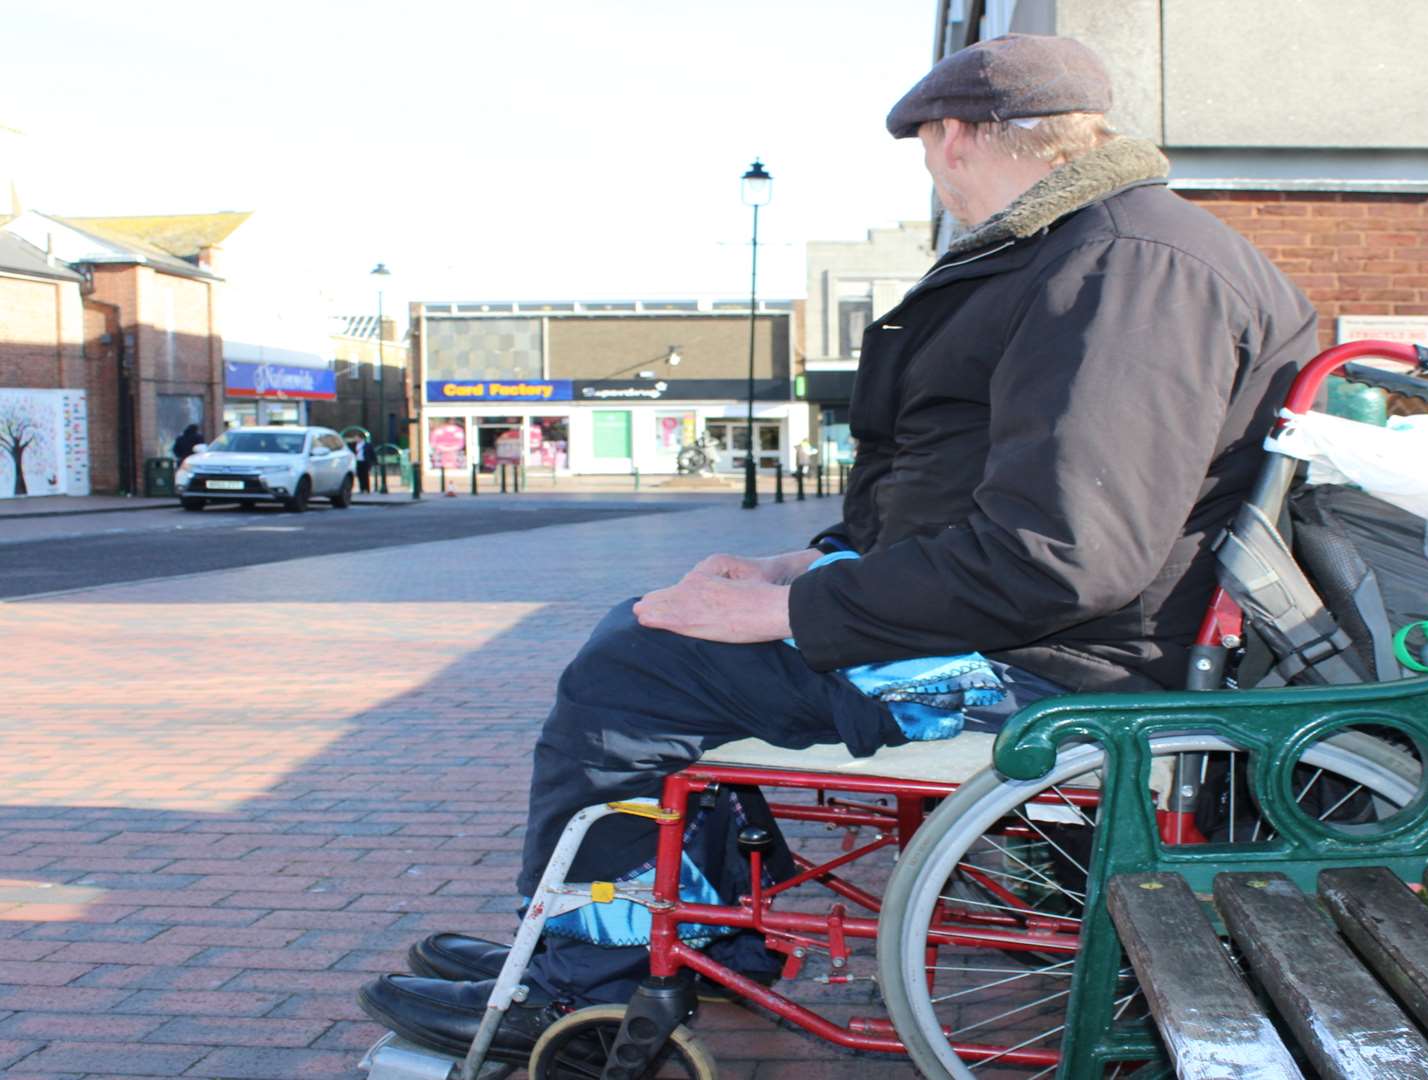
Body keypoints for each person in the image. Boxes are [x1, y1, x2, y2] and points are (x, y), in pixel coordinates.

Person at [357, 32, 1318, 1063]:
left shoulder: (1122, 269)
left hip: (1062, 667)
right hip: (1062, 635)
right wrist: (810, 566)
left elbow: (1067, 551)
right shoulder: (1102, 250)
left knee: (636, 671)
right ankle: (647, 939)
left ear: (952, 137)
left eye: (926, 154)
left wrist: (793, 612)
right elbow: (996, 492)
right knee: (657, 633)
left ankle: (588, 989)